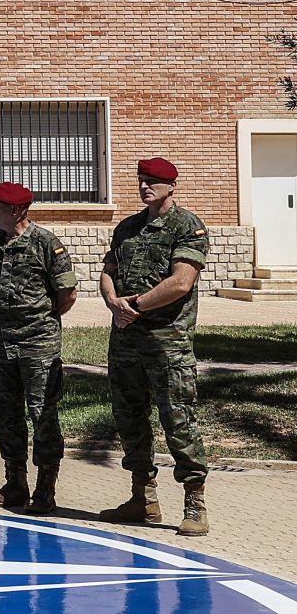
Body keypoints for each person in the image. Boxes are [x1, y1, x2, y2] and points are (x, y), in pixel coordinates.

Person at [99, 157, 212, 536]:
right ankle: (142, 499)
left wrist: (133, 306)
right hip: (126, 342)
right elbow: (107, 273)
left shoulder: (188, 226)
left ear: (171, 186)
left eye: (154, 181)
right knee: (130, 420)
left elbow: (181, 283)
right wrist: (113, 302)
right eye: (142, 181)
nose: (146, 186)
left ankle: (194, 503)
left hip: (168, 344)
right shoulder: (127, 227)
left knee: (178, 421)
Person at [0, 181, 77, 514]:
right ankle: (15, 484)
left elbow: (67, 295)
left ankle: (45, 489)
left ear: (16, 211)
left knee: (42, 416)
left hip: (38, 347)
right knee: (5, 416)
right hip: (1, 346)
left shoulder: (46, 243)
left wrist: (41, 324)